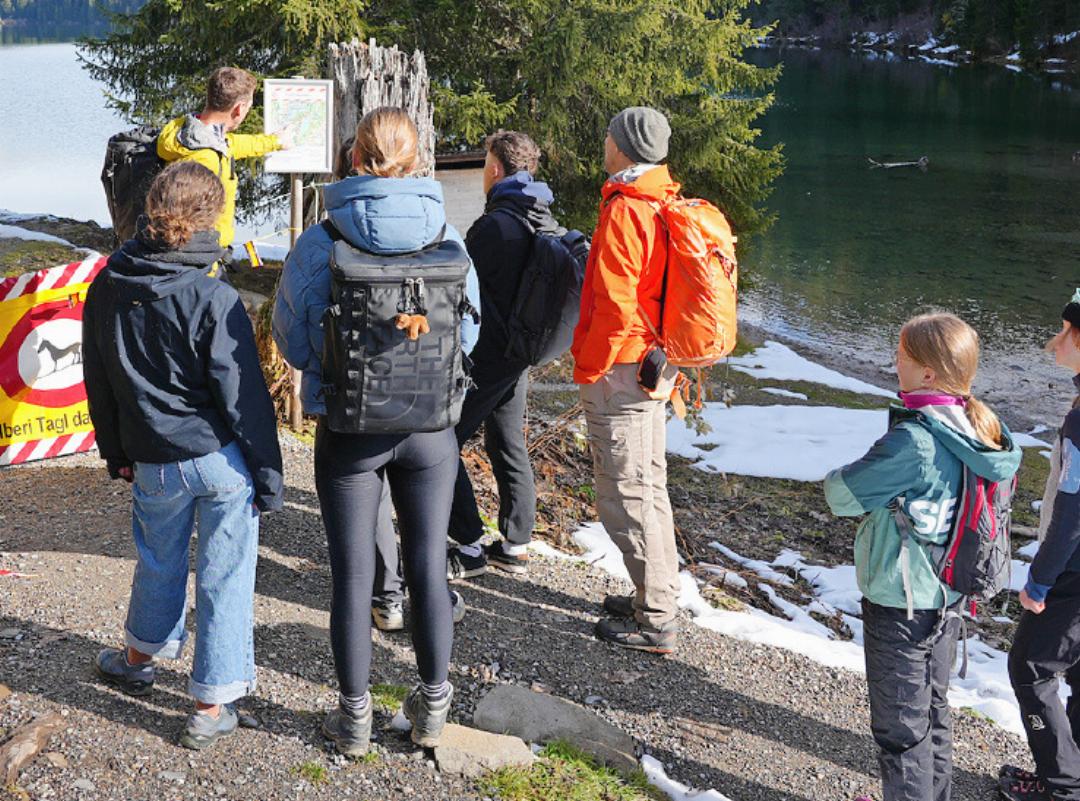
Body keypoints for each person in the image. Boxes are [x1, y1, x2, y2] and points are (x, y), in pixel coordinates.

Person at [272, 107, 477, 756]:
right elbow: (468, 333)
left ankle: (354, 719)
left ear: (355, 160)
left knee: (354, 575)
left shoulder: (322, 236)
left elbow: (289, 338)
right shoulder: (447, 231)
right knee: (426, 565)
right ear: (417, 162)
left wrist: (332, 365)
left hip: (350, 427)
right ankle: (434, 709)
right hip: (430, 429)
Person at [82, 161, 284, 750]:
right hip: (220, 460)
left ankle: (138, 659)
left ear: (151, 210)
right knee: (224, 576)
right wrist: (268, 475)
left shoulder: (110, 281)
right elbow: (244, 398)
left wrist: (115, 451)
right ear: (212, 218)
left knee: (159, 561)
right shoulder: (213, 294)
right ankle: (208, 705)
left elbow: (99, 377)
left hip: (153, 458)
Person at [824, 313, 1020, 801]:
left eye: (902, 357)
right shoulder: (983, 429)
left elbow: (841, 495)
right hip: (950, 595)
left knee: (899, 729)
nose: (894, 364)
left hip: (902, 600)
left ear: (929, 373)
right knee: (932, 713)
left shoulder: (915, 440)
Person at [572, 106, 681, 654]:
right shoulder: (661, 198)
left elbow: (614, 306)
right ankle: (655, 593)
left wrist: (589, 368)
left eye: (609, 135)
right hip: (651, 365)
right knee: (648, 486)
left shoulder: (627, 211)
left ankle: (656, 615)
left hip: (623, 370)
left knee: (626, 493)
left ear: (623, 146)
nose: (605, 141)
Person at [444, 130, 562, 579]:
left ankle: (468, 545)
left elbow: (462, 290)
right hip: (521, 354)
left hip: (489, 356)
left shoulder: (495, 225)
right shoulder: (540, 215)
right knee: (507, 441)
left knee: (444, 439)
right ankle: (515, 545)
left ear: (495, 169)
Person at [1000, 292, 1080, 801]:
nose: (1054, 345)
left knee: (1029, 668)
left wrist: (1040, 580)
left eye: (1064, 332)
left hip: (1073, 572)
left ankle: (1063, 787)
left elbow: (1073, 512)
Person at [157, 66, 290, 250]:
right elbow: (186, 225)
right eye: (248, 108)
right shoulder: (205, 160)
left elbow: (233, 144)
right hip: (199, 257)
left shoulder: (194, 133)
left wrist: (275, 141)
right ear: (239, 109)